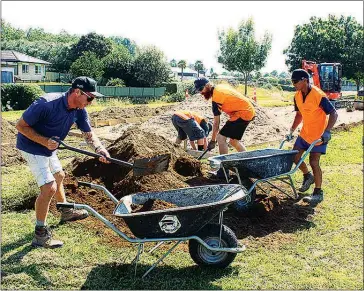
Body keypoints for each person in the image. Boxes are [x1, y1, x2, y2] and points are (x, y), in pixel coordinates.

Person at [16, 76, 111, 248]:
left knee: (59, 175)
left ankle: (65, 210)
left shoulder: (79, 109)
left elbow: (88, 134)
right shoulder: (46, 104)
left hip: (50, 146)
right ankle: (40, 234)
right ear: (77, 92)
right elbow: (20, 126)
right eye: (90, 97)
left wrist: (99, 149)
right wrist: (44, 141)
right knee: (48, 187)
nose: (91, 102)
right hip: (32, 146)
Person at [288, 69, 338, 206]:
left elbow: (334, 113)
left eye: (295, 81)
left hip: (318, 136)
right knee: (295, 157)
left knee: (314, 162)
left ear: (305, 80)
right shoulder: (297, 96)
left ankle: (318, 193)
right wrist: (292, 130)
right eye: (292, 82)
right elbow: (299, 114)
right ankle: (307, 176)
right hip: (305, 133)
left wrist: (327, 132)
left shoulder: (318, 95)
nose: (294, 84)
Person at [193, 77, 255, 179]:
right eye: (199, 90)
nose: (201, 92)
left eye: (201, 89)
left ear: (208, 85)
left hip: (242, 113)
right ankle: (250, 163)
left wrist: (213, 140)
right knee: (233, 142)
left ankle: (223, 170)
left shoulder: (216, 98)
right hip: (247, 111)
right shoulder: (220, 88)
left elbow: (216, 123)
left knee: (220, 138)